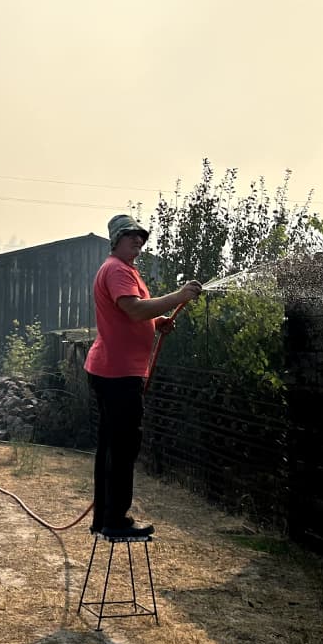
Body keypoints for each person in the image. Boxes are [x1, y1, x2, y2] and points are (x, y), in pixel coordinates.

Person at [84, 214, 201, 538]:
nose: (138, 239)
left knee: (111, 446)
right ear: (115, 240)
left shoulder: (121, 270)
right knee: (123, 447)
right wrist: (178, 297)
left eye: (140, 235)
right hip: (119, 373)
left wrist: (157, 320)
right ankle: (116, 520)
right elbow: (134, 309)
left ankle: (104, 518)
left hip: (112, 370)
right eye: (130, 235)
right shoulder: (118, 270)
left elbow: (132, 314)